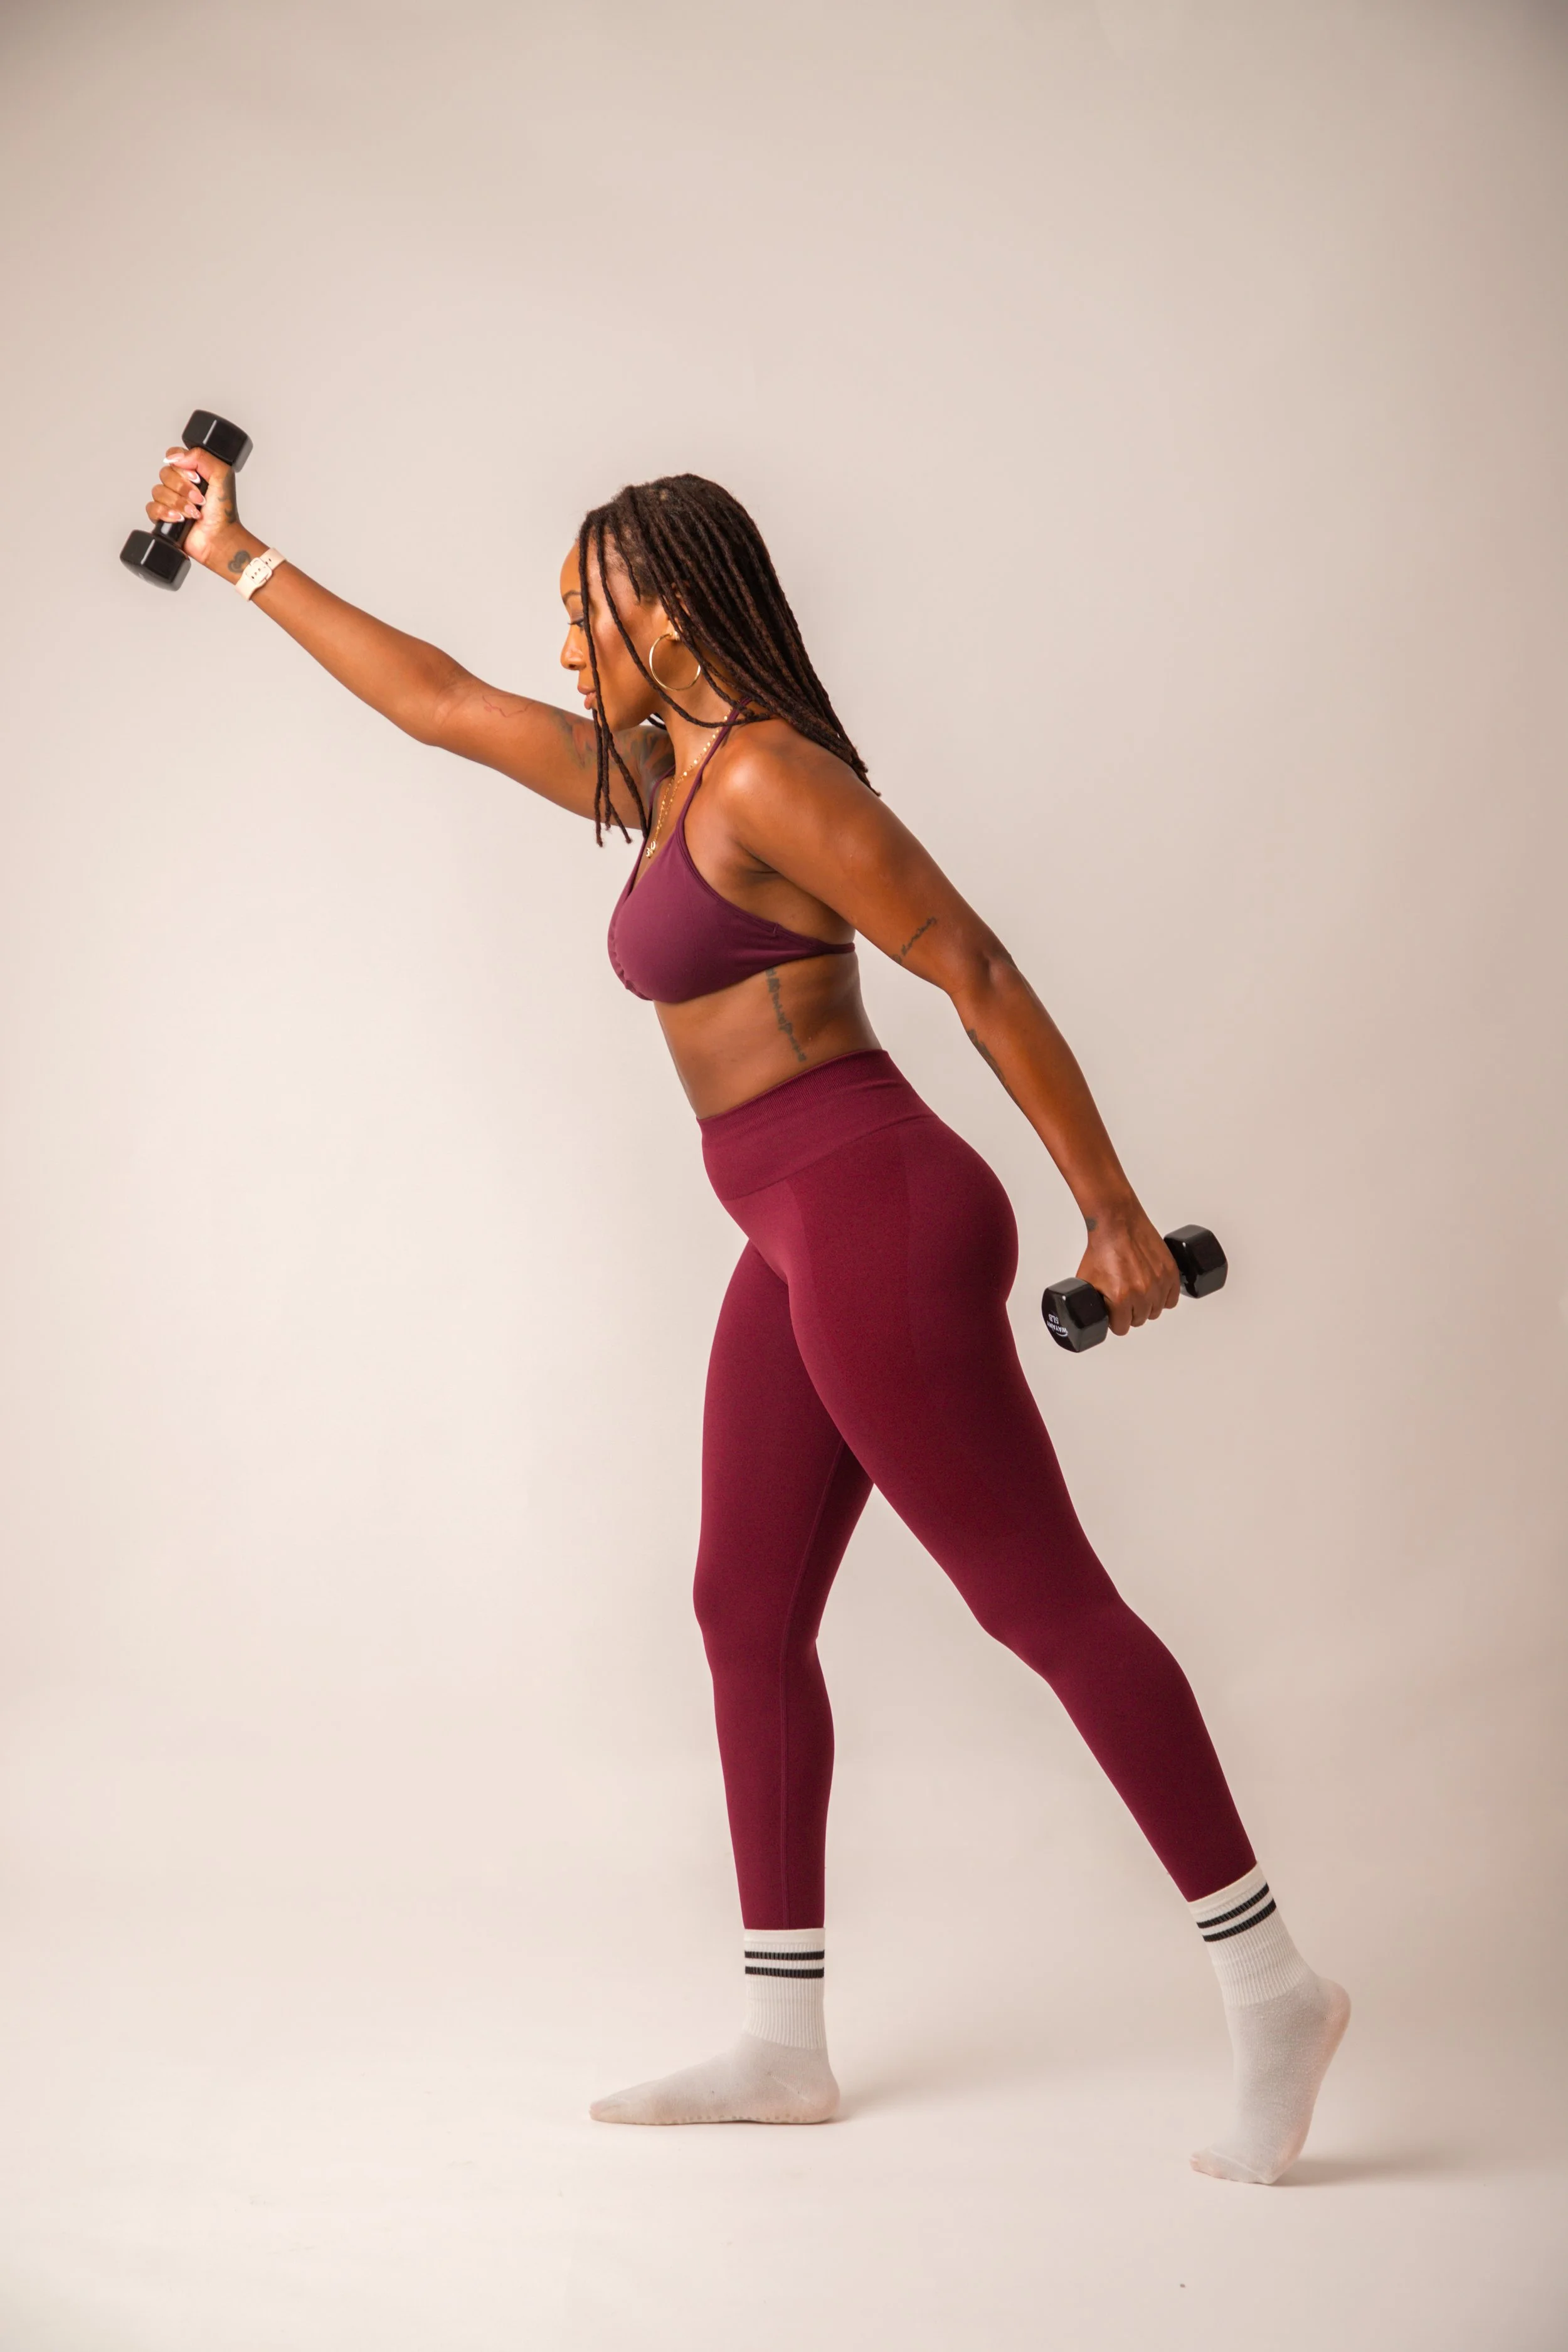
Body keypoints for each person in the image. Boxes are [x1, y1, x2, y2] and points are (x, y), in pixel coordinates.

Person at [141, 449, 1348, 2181]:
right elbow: (437, 703)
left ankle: (1273, 1989)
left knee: (1042, 1602)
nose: (565, 648)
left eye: (585, 614)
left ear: (665, 608)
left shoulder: (770, 778)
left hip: (876, 1211)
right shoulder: (657, 775)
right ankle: (782, 2047)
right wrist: (238, 554)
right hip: (787, 1225)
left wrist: (1108, 1209)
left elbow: (972, 964)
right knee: (741, 1609)